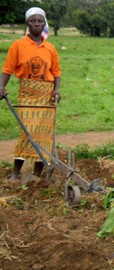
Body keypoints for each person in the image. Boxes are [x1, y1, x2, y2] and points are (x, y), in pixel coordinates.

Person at [0, 7, 61, 180]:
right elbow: (7, 70)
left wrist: (56, 90)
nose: (36, 24)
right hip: (27, 94)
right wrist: (1, 87)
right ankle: (15, 172)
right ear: (27, 23)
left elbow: (56, 73)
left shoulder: (50, 48)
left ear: (44, 24)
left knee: (43, 135)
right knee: (27, 132)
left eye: (40, 21)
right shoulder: (18, 46)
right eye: (33, 21)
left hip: (46, 95)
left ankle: (37, 174)